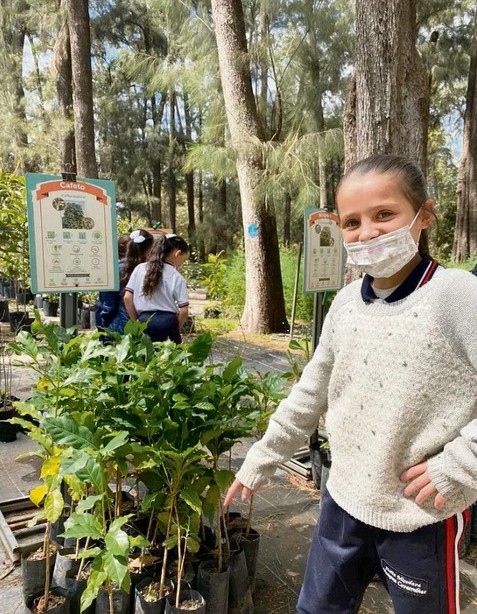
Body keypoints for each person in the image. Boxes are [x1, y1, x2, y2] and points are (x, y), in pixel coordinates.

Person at [224, 153, 477, 614]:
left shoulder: (458, 297)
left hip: (420, 515)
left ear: (424, 214)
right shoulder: (344, 304)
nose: (367, 233)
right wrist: (263, 456)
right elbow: (311, 389)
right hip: (342, 503)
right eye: (351, 222)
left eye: (384, 215)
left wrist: (459, 464)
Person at [123, 234, 190, 343]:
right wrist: (175, 327)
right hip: (168, 323)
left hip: (143, 321)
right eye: (183, 260)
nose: (182, 264)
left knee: (144, 358)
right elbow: (184, 310)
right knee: (170, 358)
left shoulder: (139, 269)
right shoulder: (176, 276)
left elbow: (127, 298)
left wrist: (136, 321)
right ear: (178, 254)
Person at [95, 229, 154, 335]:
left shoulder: (115, 270)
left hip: (117, 328)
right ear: (148, 249)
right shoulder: (150, 270)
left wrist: (103, 329)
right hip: (143, 325)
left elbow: (108, 306)